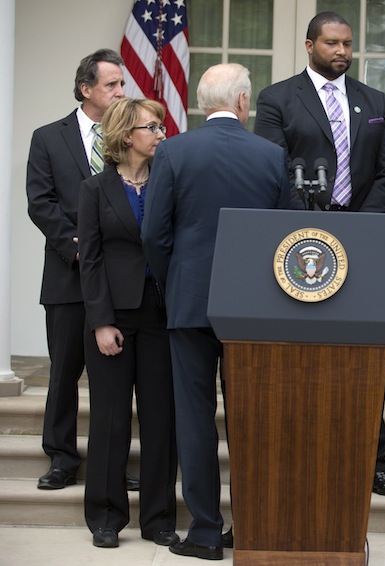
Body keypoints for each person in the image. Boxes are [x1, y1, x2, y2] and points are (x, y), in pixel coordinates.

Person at [253, 11, 385, 498]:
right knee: (302, 354)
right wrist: (312, 224)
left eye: (347, 44)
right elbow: (273, 166)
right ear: (309, 45)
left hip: (361, 238)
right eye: (332, 43)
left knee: (363, 354)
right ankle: (299, 453)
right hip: (300, 244)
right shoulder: (277, 98)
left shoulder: (375, 101)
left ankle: (372, 459)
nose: (342, 51)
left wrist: (359, 226)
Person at [141, 63, 291, 561]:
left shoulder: (174, 151)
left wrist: (173, 283)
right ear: (244, 102)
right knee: (250, 420)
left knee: (195, 420)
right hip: (254, 308)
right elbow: (285, 237)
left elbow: (154, 234)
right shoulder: (271, 155)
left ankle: (206, 532)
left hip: (189, 304)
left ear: (203, 103)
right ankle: (253, 527)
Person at [26, 48, 139, 492]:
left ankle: (112, 463)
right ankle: (61, 458)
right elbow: (41, 202)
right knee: (64, 372)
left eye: (121, 84)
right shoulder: (48, 137)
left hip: (122, 282)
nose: (120, 92)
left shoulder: (131, 135)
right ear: (85, 88)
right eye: (111, 84)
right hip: (68, 277)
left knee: (115, 380)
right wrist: (79, 246)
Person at [78, 98, 177, 549]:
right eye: (151, 128)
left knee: (160, 420)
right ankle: (105, 516)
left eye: (160, 127)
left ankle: (158, 518)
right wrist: (100, 322)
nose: (160, 134)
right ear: (125, 136)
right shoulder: (95, 189)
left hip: (161, 316)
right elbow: (90, 261)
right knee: (111, 420)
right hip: (112, 319)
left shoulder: (169, 183)